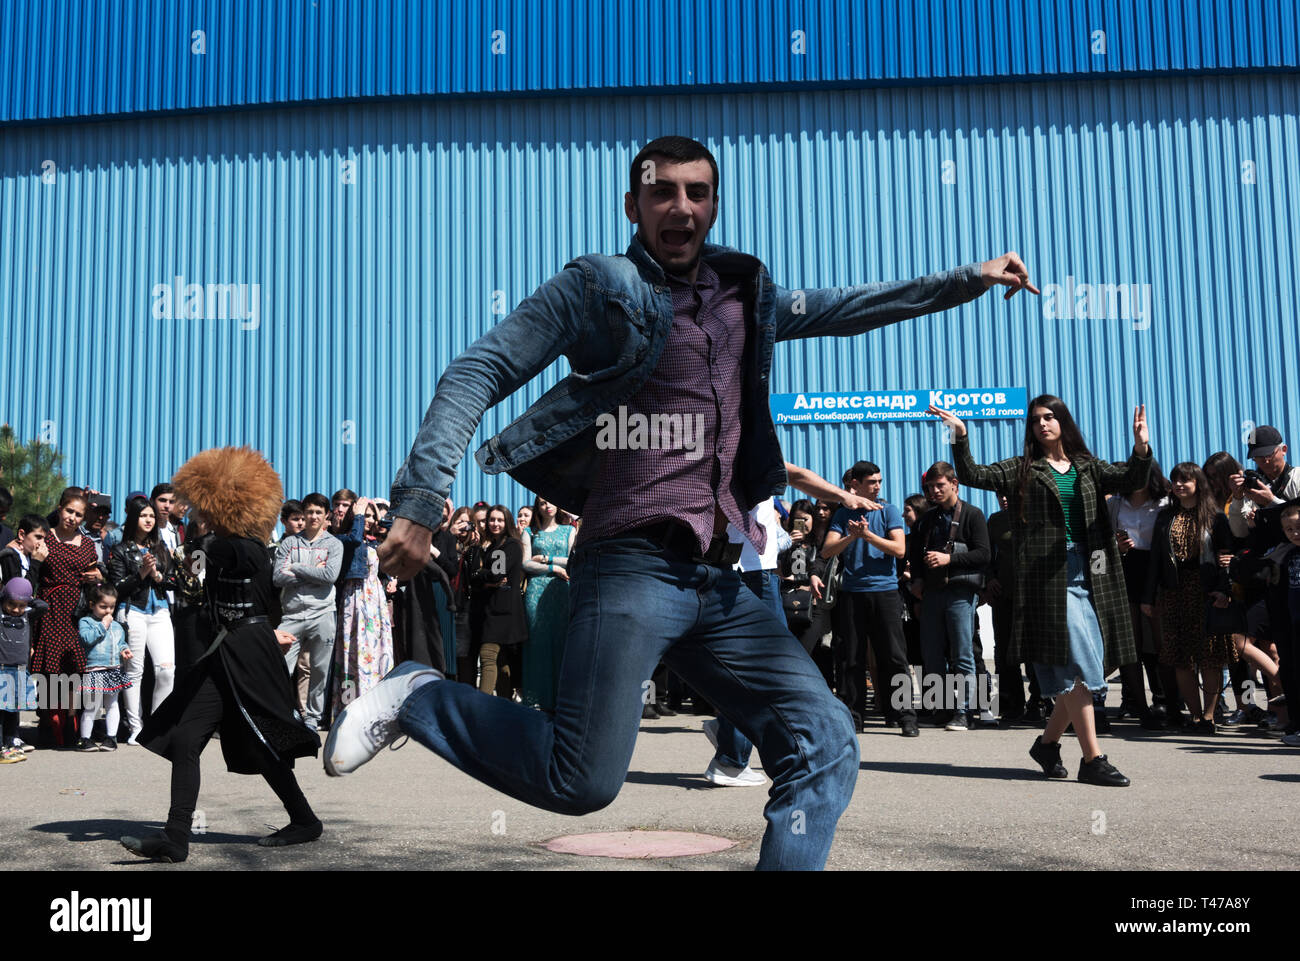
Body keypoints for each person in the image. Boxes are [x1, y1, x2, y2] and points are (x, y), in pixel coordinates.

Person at [329, 134, 1034, 870]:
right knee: (580, 780)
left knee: (827, 740)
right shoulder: (599, 287)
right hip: (626, 565)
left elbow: (848, 306)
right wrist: (422, 498)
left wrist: (967, 279)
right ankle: (416, 697)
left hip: (715, 581)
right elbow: (478, 368)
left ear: (714, 206)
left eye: (697, 193)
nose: (681, 206)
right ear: (632, 205)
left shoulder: (746, 294)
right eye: (662, 192)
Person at [934, 395, 1151, 787]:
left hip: (1092, 572)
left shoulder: (1087, 466)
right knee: (1080, 666)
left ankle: (1048, 743)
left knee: (1085, 667)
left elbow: (1133, 481)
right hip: (1048, 578)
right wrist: (960, 436)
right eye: (1035, 420)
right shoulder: (1023, 469)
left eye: (1049, 417)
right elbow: (973, 474)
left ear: (1063, 422)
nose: (1042, 425)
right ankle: (1093, 758)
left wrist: (1140, 447)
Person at [121, 447, 322, 862]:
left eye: (205, 506)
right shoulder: (218, 544)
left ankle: (304, 819)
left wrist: (190, 532)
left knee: (264, 740)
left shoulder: (246, 546)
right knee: (186, 737)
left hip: (248, 653)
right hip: (222, 655)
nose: (197, 512)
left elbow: (211, 554)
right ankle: (176, 838)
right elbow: (190, 575)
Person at [821, 461, 916, 735]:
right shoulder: (843, 514)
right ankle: (853, 716)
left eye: (879, 481)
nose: (877, 486)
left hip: (885, 592)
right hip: (852, 593)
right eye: (871, 482)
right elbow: (827, 551)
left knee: (894, 657)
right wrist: (851, 537)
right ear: (856, 485)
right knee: (851, 658)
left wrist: (868, 535)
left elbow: (899, 549)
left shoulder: (889, 510)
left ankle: (904, 715)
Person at [1142, 463, 1239, 733]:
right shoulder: (1165, 517)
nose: (1180, 485)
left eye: (1186, 480)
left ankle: (1209, 716)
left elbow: (1226, 558)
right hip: (1174, 593)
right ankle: (1194, 715)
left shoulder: (1216, 517)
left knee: (1210, 657)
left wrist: (1225, 590)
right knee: (1181, 658)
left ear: (1198, 483)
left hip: (1206, 593)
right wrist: (1148, 597)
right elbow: (1155, 561)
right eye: (1176, 481)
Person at [908, 461, 990, 731]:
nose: (934, 491)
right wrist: (917, 580)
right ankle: (941, 708)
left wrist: (949, 558)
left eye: (939, 485)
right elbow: (916, 556)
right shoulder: (927, 519)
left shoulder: (973, 514)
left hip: (960, 592)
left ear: (954, 484)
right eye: (930, 487)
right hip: (931, 592)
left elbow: (983, 554)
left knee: (962, 654)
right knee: (931, 654)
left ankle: (964, 712)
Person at [32, 490, 104, 747]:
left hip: (77, 612)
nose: (73, 518)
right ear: (60, 509)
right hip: (50, 609)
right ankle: (49, 725)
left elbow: (98, 578)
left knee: (74, 670)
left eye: (79, 514)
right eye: (69, 511)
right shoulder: (45, 538)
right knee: (50, 670)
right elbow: (32, 572)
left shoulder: (86, 544)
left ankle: (72, 726)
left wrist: (97, 576)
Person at [108, 499, 179, 743]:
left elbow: (173, 582)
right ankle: (136, 727)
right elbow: (116, 588)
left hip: (160, 612)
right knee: (134, 671)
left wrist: (157, 574)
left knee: (166, 671)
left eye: (151, 516)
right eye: (143, 516)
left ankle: (158, 724)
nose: (149, 520)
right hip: (133, 612)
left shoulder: (160, 549)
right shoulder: (120, 550)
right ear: (133, 519)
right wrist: (140, 574)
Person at [1108, 460, 1173, 729]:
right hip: (1126, 569)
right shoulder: (1115, 503)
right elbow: (1103, 540)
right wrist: (1117, 545)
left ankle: (1171, 704)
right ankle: (1140, 707)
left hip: (1156, 571)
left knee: (1162, 644)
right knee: (1130, 646)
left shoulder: (1166, 503)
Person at [274, 492, 342, 729]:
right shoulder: (289, 543)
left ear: (326, 516)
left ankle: (312, 719)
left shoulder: (334, 544)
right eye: (309, 512)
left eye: (318, 513)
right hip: (292, 615)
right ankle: (283, 713)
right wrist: (314, 572)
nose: (313, 517)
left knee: (319, 670)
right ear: (304, 513)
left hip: (323, 613)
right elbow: (277, 577)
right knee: (280, 666)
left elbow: (330, 576)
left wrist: (297, 567)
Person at [332, 496, 394, 715]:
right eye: (364, 516)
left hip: (374, 599)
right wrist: (358, 515)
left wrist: (380, 515)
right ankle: (349, 707)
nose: (367, 520)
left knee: (376, 650)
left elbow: (393, 528)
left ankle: (374, 706)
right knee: (352, 651)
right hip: (354, 596)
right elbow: (355, 540)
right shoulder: (344, 538)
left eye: (370, 516)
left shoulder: (375, 540)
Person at [521, 497, 575, 712]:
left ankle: (562, 699)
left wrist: (544, 558)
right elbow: (525, 563)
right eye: (542, 503)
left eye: (550, 501)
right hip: (536, 591)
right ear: (538, 507)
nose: (547, 505)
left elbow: (572, 559)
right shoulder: (530, 532)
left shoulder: (569, 530)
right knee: (538, 643)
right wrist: (552, 569)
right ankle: (538, 698)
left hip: (562, 590)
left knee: (563, 641)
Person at [469, 506, 527, 697]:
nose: (495, 524)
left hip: (504, 611)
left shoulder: (509, 545)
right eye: (491, 520)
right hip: (492, 609)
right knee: (501, 662)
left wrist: (482, 575)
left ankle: (482, 704)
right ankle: (504, 704)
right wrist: (481, 577)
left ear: (507, 522)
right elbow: (477, 577)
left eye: (499, 520)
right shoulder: (492, 547)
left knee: (487, 655)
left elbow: (495, 575)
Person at [75, 584, 133, 752]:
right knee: (92, 705)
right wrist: (103, 626)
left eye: (112, 607)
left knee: (112, 704)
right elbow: (86, 639)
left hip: (113, 668)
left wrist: (124, 649)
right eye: (103, 607)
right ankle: (85, 739)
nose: (108, 611)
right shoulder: (86, 621)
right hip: (94, 669)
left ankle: (111, 737)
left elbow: (120, 642)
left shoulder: (117, 626)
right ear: (92, 604)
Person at [0, 579, 46, 761]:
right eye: (11, 604)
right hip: (2, 670)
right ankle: (1, 747)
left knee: (13, 712)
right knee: (1, 713)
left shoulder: (27, 616)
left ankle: (11, 744)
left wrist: (28, 598)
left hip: (19, 671)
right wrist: (5, 594)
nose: (16, 609)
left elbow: (43, 606)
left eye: (22, 605)